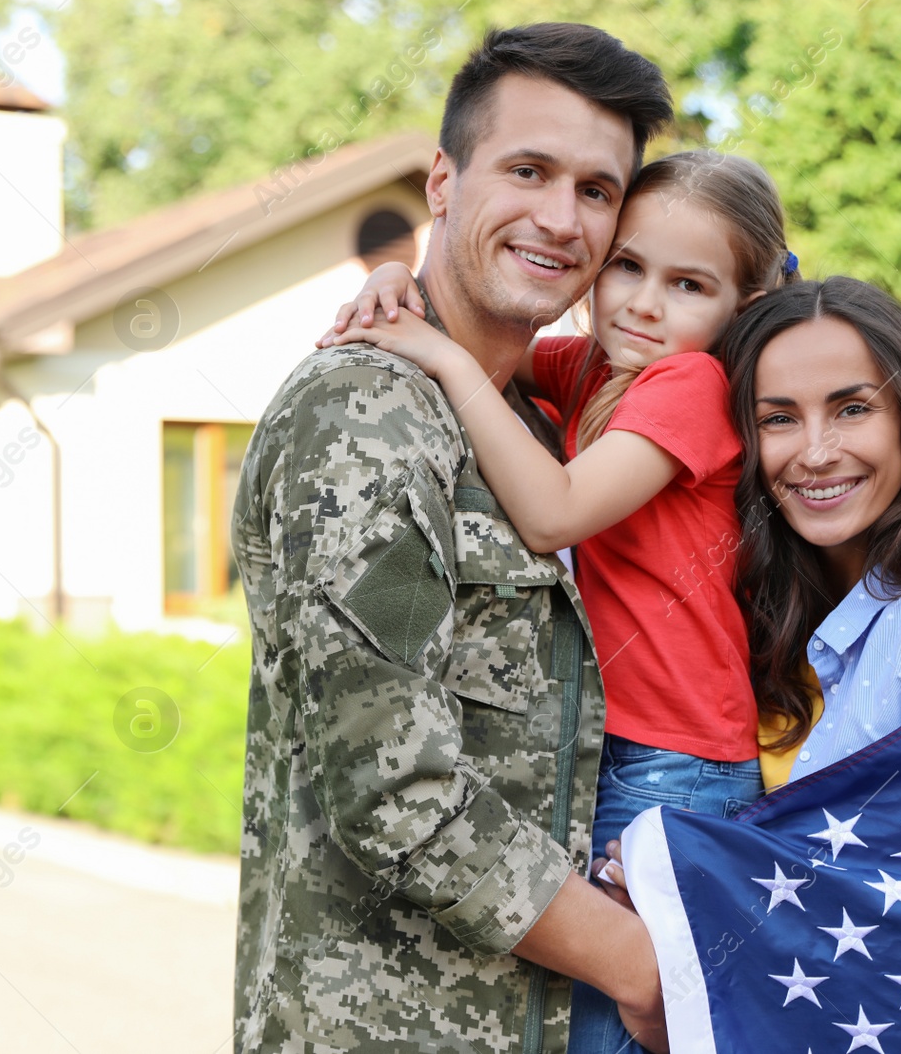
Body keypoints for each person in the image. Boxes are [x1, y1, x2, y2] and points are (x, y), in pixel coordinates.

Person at [231, 23, 676, 1054]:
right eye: (527, 170)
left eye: (597, 190)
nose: (560, 219)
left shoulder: (532, 425)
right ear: (443, 178)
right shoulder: (366, 416)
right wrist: (636, 959)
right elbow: (392, 779)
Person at [322, 150, 799, 1053]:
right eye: (627, 265)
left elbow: (556, 511)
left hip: (676, 768)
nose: (644, 304)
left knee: (613, 1022)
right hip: (618, 750)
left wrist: (434, 356)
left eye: (688, 284)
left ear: (743, 306)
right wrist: (395, 278)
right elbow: (473, 331)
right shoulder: (599, 368)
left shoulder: (691, 386)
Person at [605, 277, 901, 1051]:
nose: (815, 452)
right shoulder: (768, 632)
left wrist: (679, 922)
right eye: (779, 418)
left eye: (852, 408)